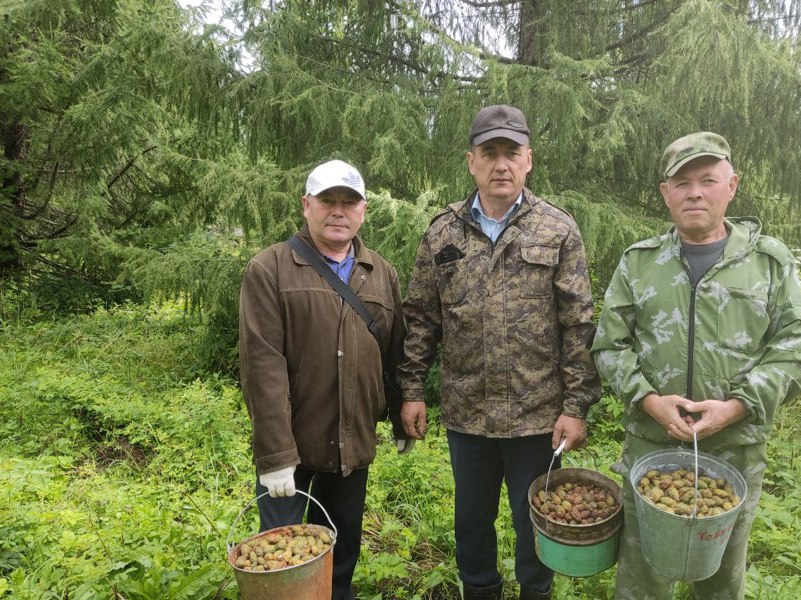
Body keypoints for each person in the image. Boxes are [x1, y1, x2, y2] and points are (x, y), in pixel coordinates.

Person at [591, 132, 801, 599]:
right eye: (683, 182)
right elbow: (609, 346)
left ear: (732, 186)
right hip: (652, 446)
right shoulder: (640, 263)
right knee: (642, 577)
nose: (695, 192)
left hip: (733, 452)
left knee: (720, 581)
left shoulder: (769, 264)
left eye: (708, 180)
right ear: (665, 193)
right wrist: (649, 401)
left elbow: (795, 353)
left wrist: (735, 407)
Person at [398, 105, 600, 600]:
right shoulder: (442, 231)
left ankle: (537, 593)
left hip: (537, 415)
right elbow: (421, 317)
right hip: (468, 414)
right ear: (472, 162)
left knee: (535, 521)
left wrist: (575, 408)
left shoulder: (557, 228)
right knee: (470, 523)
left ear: (529, 160)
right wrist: (411, 390)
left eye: (512, 153)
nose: (501, 164)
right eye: (490, 153)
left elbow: (578, 323)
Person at [238, 159, 409, 600]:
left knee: (341, 554)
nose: (339, 211)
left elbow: (395, 352)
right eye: (328, 201)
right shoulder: (270, 268)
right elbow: (262, 365)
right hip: (291, 451)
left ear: (363, 210)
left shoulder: (382, 273)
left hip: (352, 445)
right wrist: (275, 454)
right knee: (284, 561)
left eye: (348, 202)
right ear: (306, 205)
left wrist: (400, 414)